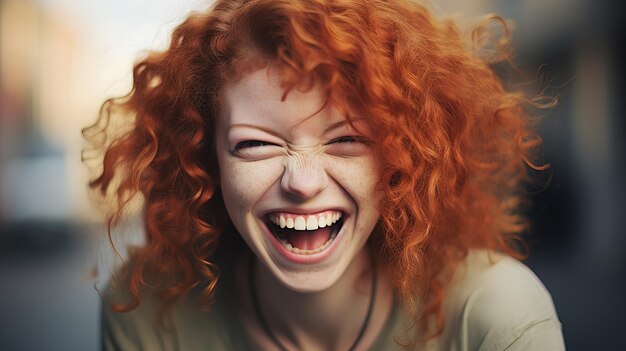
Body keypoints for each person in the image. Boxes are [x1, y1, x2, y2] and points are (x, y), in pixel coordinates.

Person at [87, 0, 566, 350]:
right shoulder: (149, 313)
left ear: (402, 153)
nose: (303, 181)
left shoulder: (493, 316)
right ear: (206, 158)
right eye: (255, 144)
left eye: (347, 139)